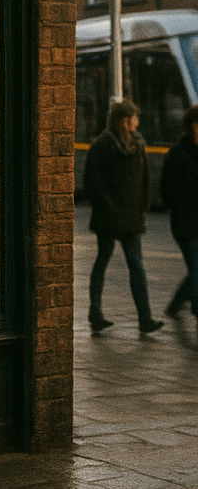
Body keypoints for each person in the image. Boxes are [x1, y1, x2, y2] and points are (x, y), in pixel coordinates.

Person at [82, 99, 164, 334]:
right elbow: (93, 185)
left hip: (131, 218)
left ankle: (145, 318)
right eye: (131, 119)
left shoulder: (138, 144)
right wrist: (111, 209)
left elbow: (145, 178)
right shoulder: (101, 146)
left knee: (136, 266)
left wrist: (144, 206)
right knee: (102, 262)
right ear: (120, 121)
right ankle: (95, 312)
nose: (134, 123)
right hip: (109, 218)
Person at [162, 104, 198, 320]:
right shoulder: (178, 154)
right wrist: (182, 204)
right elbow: (165, 189)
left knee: (196, 267)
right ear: (191, 126)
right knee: (196, 267)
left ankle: (176, 302)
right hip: (185, 224)